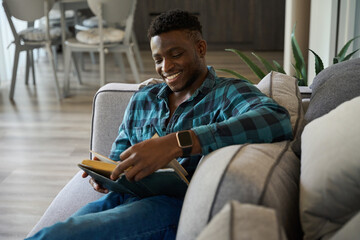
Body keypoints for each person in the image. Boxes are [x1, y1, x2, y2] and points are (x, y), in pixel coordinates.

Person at [26, 9, 293, 240]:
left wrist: (177, 143)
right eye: (158, 59)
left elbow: (275, 119)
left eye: (175, 54)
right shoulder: (143, 99)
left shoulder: (227, 93)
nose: (165, 66)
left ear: (200, 49)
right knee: (53, 232)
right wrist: (106, 175)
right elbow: (119, 154)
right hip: (122, 197)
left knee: (57, 237)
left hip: (170, 207)